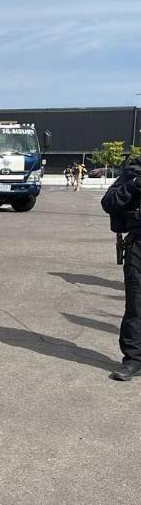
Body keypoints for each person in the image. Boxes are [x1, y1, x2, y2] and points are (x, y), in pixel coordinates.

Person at [101, 157, 141, 381]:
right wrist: (133, 185)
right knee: (136, 306)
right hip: (138, 247)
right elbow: (108, 202)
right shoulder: (133, 172)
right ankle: (134, 360)